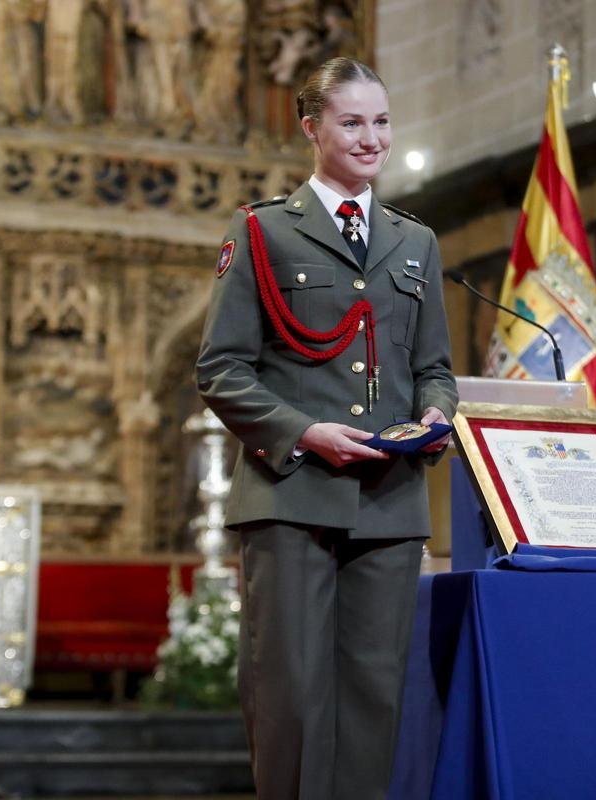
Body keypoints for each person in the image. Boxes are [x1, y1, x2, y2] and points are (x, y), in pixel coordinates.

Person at [196, 56, 457, 799]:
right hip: (292, 495)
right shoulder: (261, 232)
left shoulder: (416, 242)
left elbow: (434, 366)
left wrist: (439, 412)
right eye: (352, 122)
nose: (372, 138)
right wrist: (306, 433)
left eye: (381, 120)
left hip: (389, 501)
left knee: (374, 702)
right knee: (292, 700)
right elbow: (221, 369)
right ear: (312, 128)